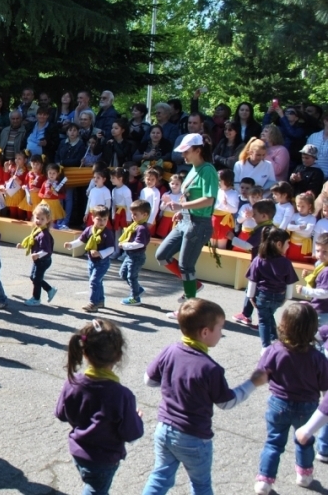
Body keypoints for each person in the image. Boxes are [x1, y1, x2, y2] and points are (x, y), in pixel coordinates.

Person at [141, 298, 268, 495]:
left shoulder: (170, 350)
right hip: (193, 436)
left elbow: (149, 379)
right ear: (205, 332)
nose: (222, 333)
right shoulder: (210, 368)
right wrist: (252, 383)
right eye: (220, 328)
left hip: (163, 429)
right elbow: (227, 403)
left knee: (159, 478)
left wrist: (173, 382)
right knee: (201, 485)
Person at [55, 318, 143, 495]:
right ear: (118, 356)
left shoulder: (73, 383)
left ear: (85, 353)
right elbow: (132, 433)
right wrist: (136, 419)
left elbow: (61, 413)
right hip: (104, 458)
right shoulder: (121, 395)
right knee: (96, 490)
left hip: (78, 451)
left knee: (95, 486)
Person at [253, 303, 328, 494]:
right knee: (305, 440)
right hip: (307, 406)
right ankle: (304, 474)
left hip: (278, 403)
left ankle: (264, 480)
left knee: (273, 442)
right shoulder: (318, 358)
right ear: (312, 328)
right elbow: (325, 385)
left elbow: (261, 374)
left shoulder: (275, 350)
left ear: (284, 325)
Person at [156, 134, 217, 308]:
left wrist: (181, 206)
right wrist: (183, 211)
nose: (183, 155)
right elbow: (189, 196)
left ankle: (190, 307)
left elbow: (208, 200)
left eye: (186, 151)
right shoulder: (193, 169)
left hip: (199, 224)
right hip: (186, 220)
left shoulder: (208, 170)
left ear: (198, 150)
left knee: (186, 265)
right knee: (162, 255)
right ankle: (194, 286)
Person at [247, 226, 298, 348]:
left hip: (263, 296)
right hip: (279, 296)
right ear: (279, 244)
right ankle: (276, 338)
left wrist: (250, 296)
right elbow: (290, 282)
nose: (288, 246)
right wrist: (286, 298)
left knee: (264, 320)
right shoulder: (286, 262)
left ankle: (266, 347)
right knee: (269, 314)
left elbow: (252, 280)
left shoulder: (259, 260)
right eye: (288, 243)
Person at [64, 206, 115, 313]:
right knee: (98, 282)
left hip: (102, 262)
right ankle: (100, 301)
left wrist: (100, 253)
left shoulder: (107, 233)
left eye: (105, 219)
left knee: (94, 281)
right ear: (93, 218)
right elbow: (81, 241)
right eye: (99, 219)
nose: (102, 222)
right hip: (91, 261)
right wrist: (71, 245)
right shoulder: (89, 230)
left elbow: (111, 249)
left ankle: (93, 303)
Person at [118, 201, 152, 306]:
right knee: (123, 274)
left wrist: (125, 245)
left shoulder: (141, 228)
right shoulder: (135, 225)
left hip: (137, 256)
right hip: (130, 256)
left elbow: (140, 244)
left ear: (145, 215)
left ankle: (135, 298)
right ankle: (138, 289)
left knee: (132, 277)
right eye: (132, 213)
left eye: (135, 214)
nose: (133, 216)